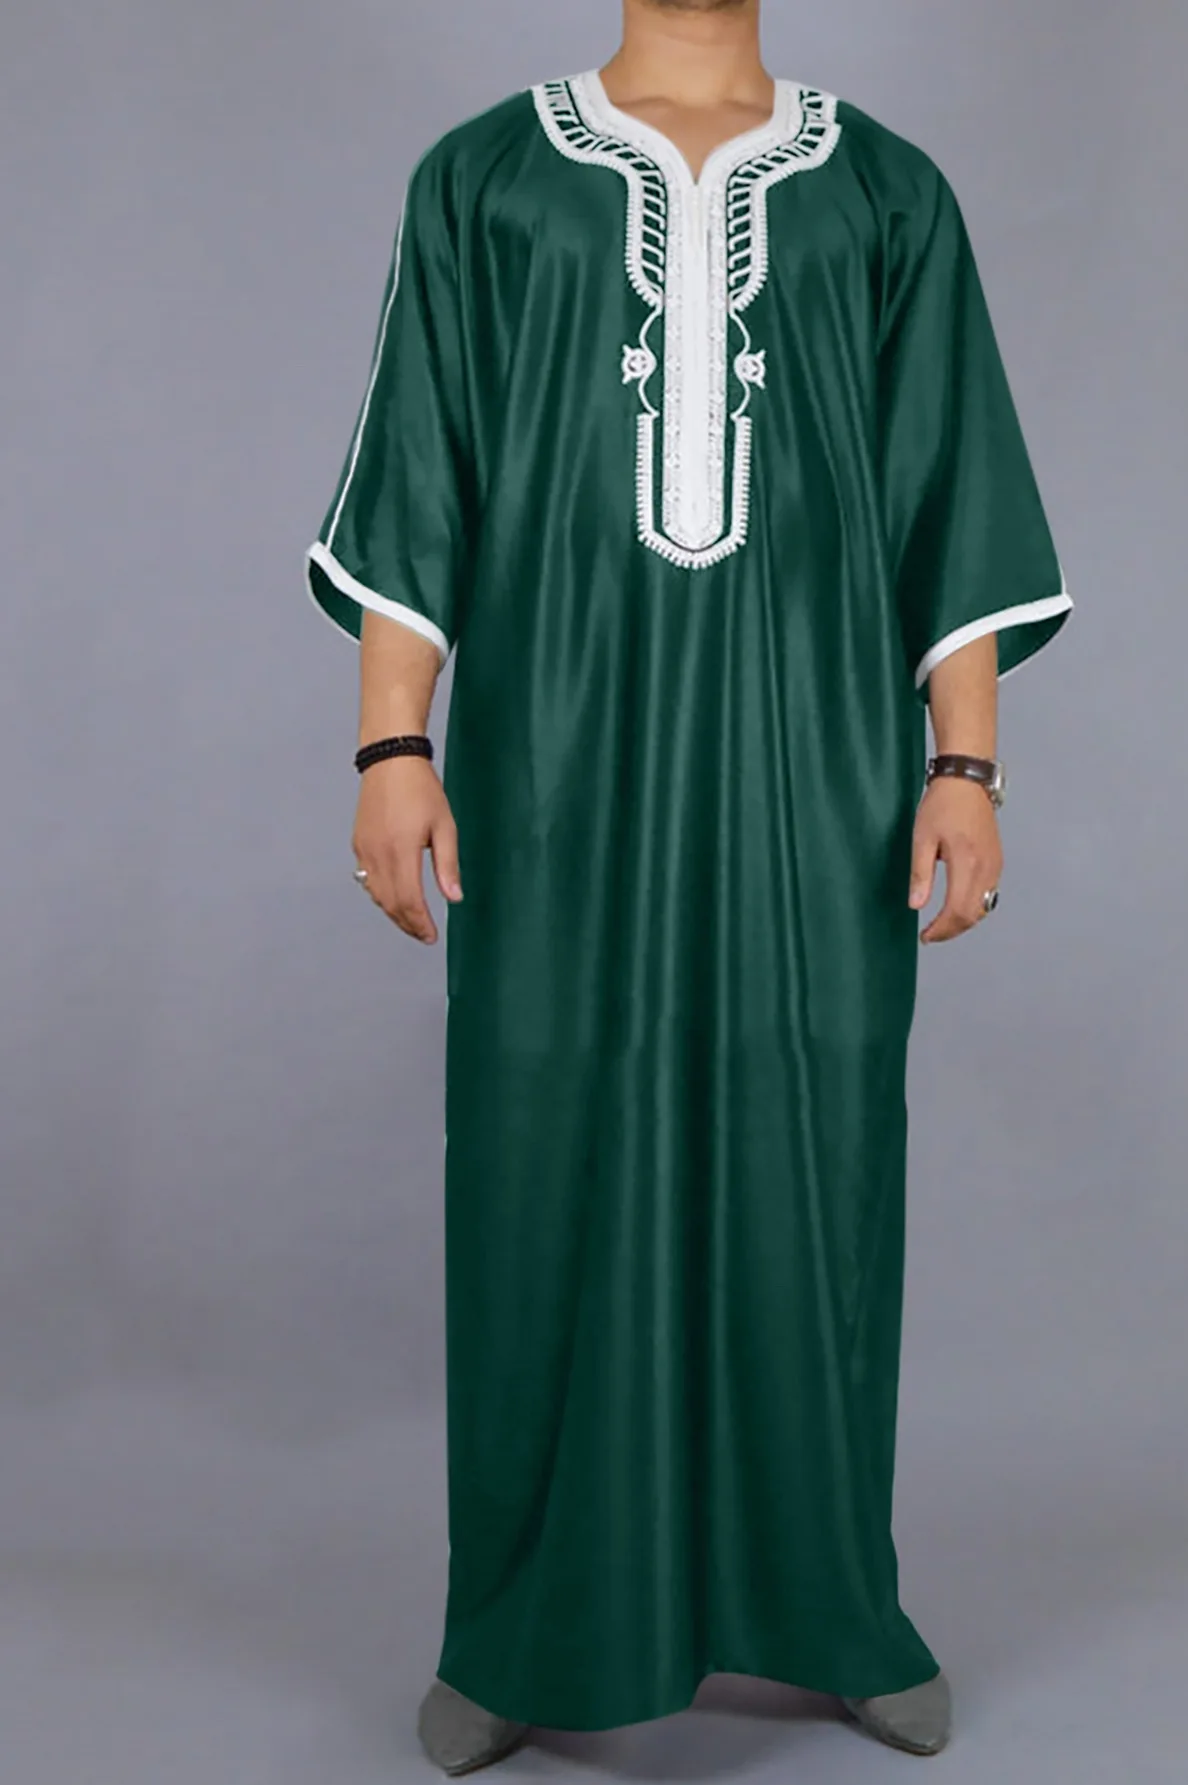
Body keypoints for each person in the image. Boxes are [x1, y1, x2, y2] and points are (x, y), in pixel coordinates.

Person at [304, 0, 1073, 1772]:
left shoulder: (885, 191)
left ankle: (832, 1607)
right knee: (536, 1163)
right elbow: (420, 475)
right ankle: (517, 1627)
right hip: (553, 774)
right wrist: (390, 748)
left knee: (817, 1165)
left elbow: (952, 488)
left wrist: (964, 768)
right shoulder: (485, 179)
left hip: (823, 776)